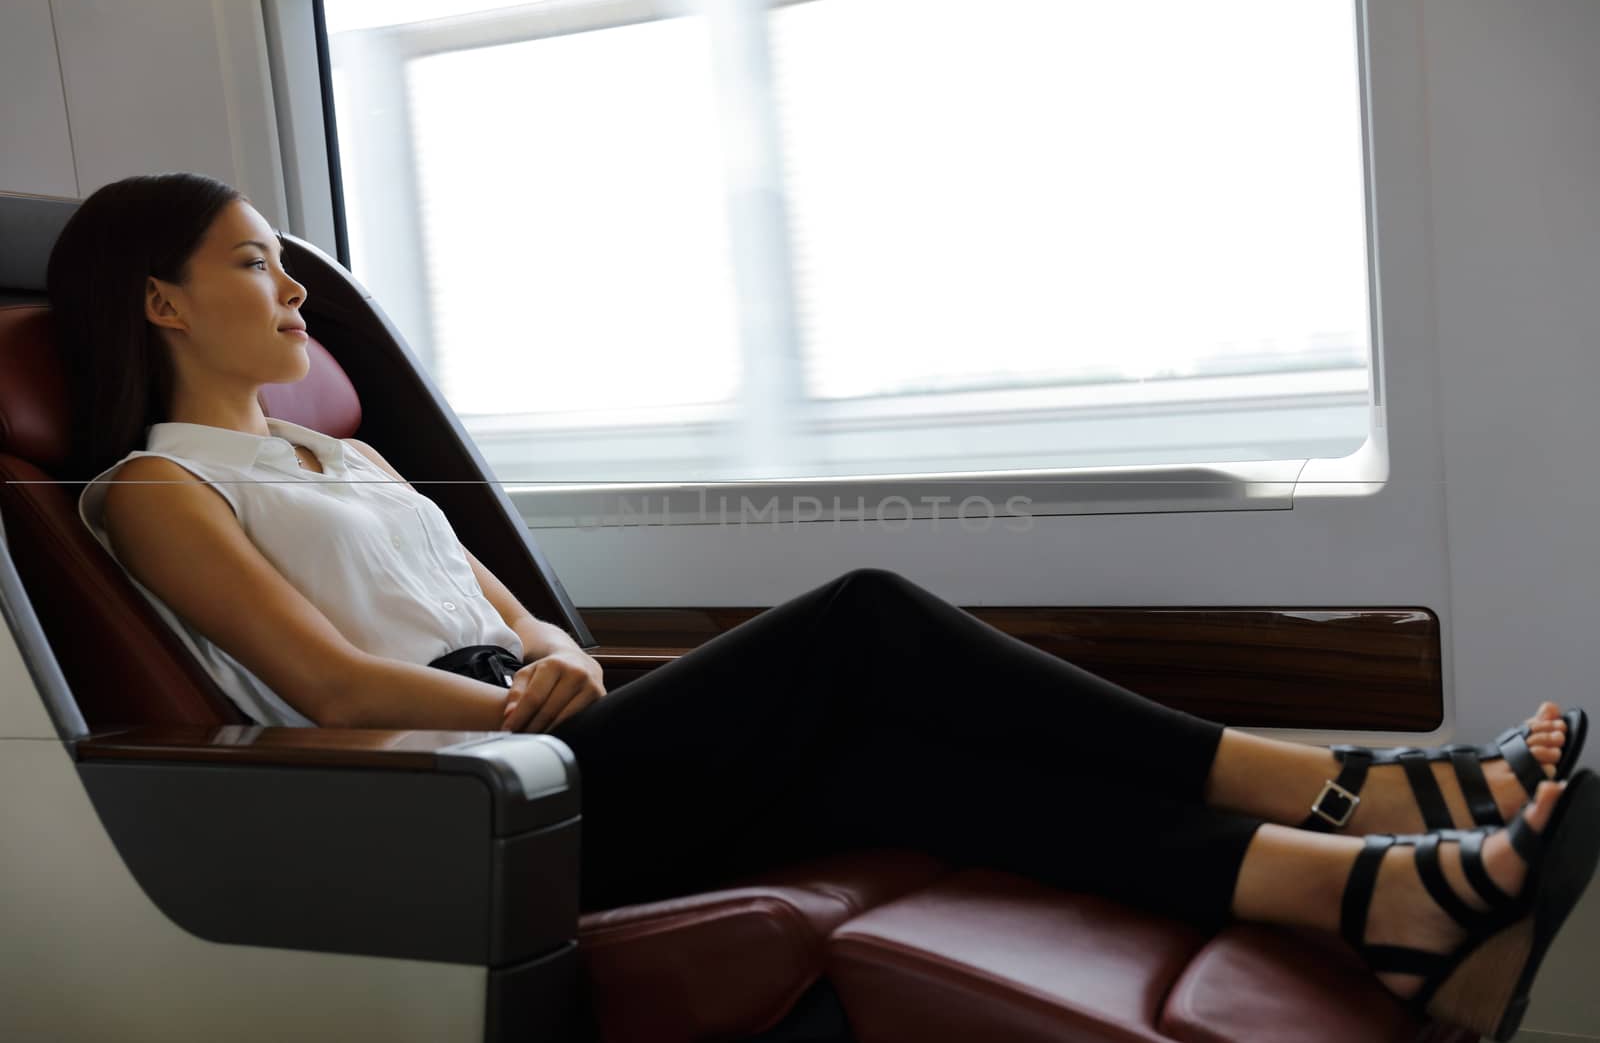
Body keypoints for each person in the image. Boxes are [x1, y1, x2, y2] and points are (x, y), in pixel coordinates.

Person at [49, 172, 1597, 1043]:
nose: (297, 296)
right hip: (464, 803)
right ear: (162, 302)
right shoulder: (153, 490)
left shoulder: (348, 453)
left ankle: (1375, 904)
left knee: (919, 761)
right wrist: (516, 716)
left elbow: (512, 614)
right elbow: (324, 686)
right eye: (255, 266)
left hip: (549, 733)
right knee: (863, 620)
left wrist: (564, 667)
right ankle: (1356, 786)